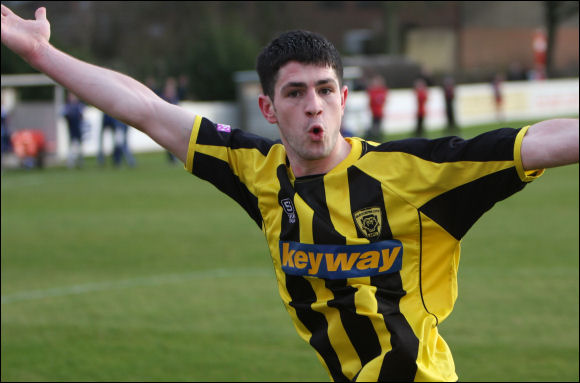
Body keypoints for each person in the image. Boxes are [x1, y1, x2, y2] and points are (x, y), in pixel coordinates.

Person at [2, 6, 578, 382]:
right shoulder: (256, 170)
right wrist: (39, 53)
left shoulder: (415, 172)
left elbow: (540, 143)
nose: (313, 105)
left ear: (345, 98)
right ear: (269, 108)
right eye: (296, 92)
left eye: (326, 90)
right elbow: (148, 109)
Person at [62, 92, 85, 168]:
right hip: (71, 129)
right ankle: (71, 163)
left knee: (79, 147)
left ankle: (80, 162)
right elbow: (63, 115)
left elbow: (82, 115)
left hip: (78, 129)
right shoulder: (67, 106)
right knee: (71, 147)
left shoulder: (79, 106)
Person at [365, 74, 388, 141]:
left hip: (379, 112)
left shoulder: (382, 90)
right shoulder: (372, 91)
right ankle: (374, 137)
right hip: (374, 112)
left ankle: (377, 138)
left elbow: (382, 100)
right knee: (374, 126)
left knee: (378, 126)